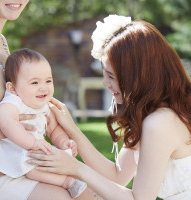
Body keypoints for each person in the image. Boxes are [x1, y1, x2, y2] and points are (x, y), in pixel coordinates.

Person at [28, 15, 191, 200]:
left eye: (111, 76)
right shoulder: (153, 112)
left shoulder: (160, 122)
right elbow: (117, 176)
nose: (105, 83)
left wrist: (75, 168)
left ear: (138, 76)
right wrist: (71, 128)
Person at [0, 1, 94, 199]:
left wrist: (59, 133)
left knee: (88, 190)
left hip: (18, 162)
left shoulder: (2, 43)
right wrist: (7, 125)